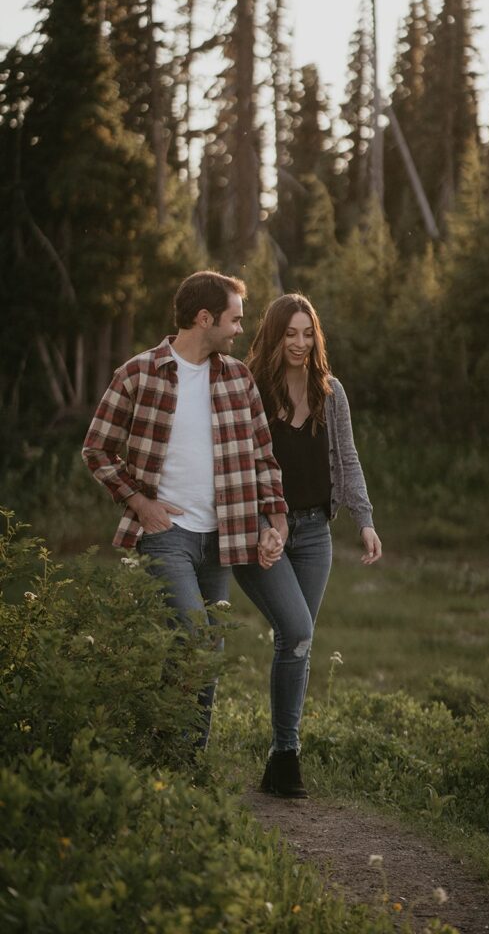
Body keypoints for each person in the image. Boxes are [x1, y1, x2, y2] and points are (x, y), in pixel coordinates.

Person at [82, 270, 288, 749]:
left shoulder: (238, 378)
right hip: (166, 534)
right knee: (199, 640)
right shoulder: (138, 373)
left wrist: (274, 520)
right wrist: (138, 501)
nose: (241, 329)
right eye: (234, 320)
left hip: (222, 538)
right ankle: (167, 746)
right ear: (204, 318)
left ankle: (184, 758)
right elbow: (96, 449)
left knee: (198, 652)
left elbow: (263, 456)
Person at [233, 293, 382, 798]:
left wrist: (364, 521)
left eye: (307, 333)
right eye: (289, 334)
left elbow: (349, 459)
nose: (299, 344)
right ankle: (287, 753)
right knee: (295, 629)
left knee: (296, 641)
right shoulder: (249, 389)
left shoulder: (329, 392)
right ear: (273, 337)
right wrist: (257, 527)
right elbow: (236, 469)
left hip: (316, 531)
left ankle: (282, 758)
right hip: (259, 533)